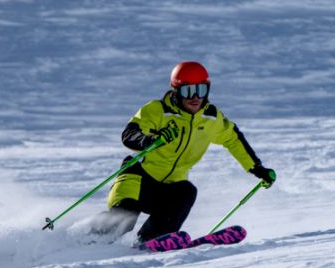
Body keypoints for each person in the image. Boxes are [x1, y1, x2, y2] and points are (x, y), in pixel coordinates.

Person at [101, 61, 276, 242]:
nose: (195, 97)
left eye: (201, 90)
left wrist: (257, 169)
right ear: (176, 90)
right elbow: (129, 134)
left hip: (169, 187)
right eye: (187, 90)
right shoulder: (158, 110)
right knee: (123, 222)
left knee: (186, 192)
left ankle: (151, 241)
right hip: (138, 178)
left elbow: (234, 139)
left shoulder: (211, 118)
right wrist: (151, 140)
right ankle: (86, 240)